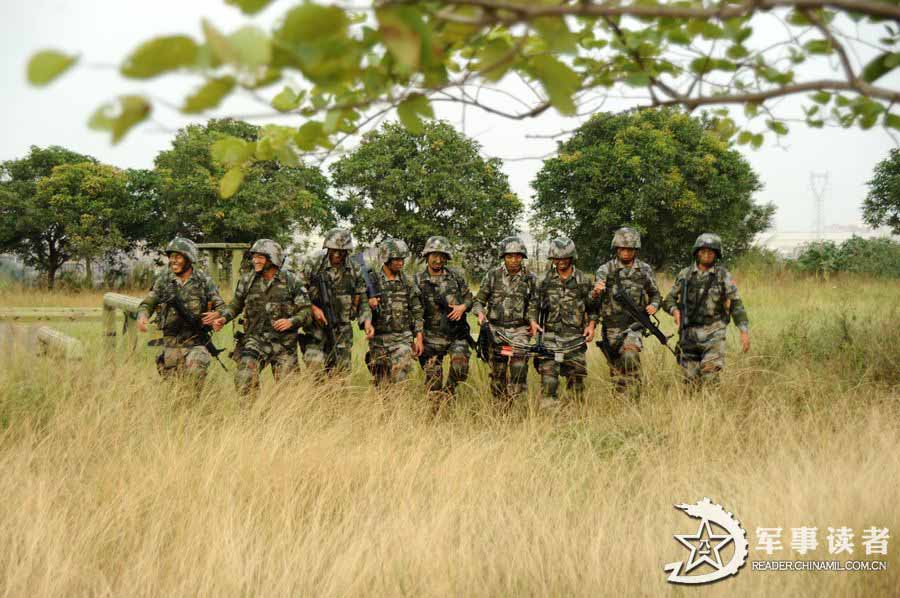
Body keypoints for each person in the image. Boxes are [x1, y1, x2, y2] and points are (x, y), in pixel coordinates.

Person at [203, 239, 313, 395]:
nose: (255, 260)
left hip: (284, 345)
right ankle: (252, 415)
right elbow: (235, 305)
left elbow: (306, 310)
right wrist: (223, 318)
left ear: (272, 258)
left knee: (290, 392)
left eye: (260, 257)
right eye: (254, 256)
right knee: (244, 377)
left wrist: (291, 321)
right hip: (255, 340)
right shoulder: (247, 280)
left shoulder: (292, 281)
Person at [662, 233, 750, 386]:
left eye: (711, 251)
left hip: (714, 332)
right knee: (690, 381)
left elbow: (736, 304)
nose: (707, 254)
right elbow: (668, 299)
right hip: (688, 334)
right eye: (704, 251)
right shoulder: (685, 274)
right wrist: (675, 311)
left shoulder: (723, 276)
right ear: (697, 252)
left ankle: (712, 408)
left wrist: (744, 331)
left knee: (710, 376)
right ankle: (692, 409)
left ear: (716, 255)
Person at [137, 237, 225, 386]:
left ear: (189, 259)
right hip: (171, 343)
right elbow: (148, 303)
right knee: (174, 387)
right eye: (171, 257)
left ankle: (195, 406)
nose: (173, 260)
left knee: (194, 374)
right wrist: (142, 316)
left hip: (196, 341)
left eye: (178, 257)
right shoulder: (164, 279)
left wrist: (217, 315)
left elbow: (221, 306)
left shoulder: (203, 280)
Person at [592, 227, 661, 393]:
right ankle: (623, 402)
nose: (626, 252)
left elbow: (656, 294)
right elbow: (594, 300)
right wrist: (596, 291)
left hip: (634, 325)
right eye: (622, 248)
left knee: (630, 356)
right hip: (611, 327)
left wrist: (654, 305)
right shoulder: (605, 270)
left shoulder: (644, 270)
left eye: (629, 249)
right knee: (617, 371)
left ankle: (634, 395)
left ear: (635, 250)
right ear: (617, 248)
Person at [530, 237, 597, 406]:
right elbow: (534, 304)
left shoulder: (583, 279)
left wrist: (591, 325)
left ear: (571, 257)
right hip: (550, 337)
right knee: (549, 382)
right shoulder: (543, 279)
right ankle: (549, 418)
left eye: (564, 258)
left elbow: (593, 307)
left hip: (575, 338)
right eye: (556, 259)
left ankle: (576, 418)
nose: (560, 262)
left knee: (576, 384)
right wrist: (532, 321)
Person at [472, 236, 538, 406]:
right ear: (503, 257)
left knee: (518, 366)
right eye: (509, 256)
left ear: (522, 257)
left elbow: (535, 303)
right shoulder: (493, 276)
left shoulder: (530, 278)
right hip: (497, 332)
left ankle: (518, 404)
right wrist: (480, 315)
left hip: (520, 331)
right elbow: (479, 301)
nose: (514, 260)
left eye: (517, 256)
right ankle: (501, 408)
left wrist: (533, 321)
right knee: (498, 374)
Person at [298, 228, 370, 376]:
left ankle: (336, 399)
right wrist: (313, 309)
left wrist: (366, 322)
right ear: (327, 248)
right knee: (315, 368)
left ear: (347, 251)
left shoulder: (355, 269)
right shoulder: (314, 263)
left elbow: (362, 300)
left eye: (341, 251)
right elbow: (298, 292)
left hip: (342, 330)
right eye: (333, 250)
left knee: (341, 373)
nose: (337, 254)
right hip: (315, 327)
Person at [415, 236, 474, 403]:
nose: (438, 259)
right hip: (430, 338)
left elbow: (469, 297)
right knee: (433, 384)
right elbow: (415, 311)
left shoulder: (456, 277)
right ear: (427, 256)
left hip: (455, 335)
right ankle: (436, 412)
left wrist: (463, 307)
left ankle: (449, 392)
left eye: (442, 256)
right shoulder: (417, 280)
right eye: (434, 255)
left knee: (460, 367)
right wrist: (418, 336)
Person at [363, 238, 424, 386]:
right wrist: (368, 309)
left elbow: (417, 310)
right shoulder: (372, 281)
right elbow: (360, 307)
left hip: (402, 338)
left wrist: (419, 338)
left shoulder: (408, 281)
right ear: (386, 258)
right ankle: (387, 409)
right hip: (379, 339)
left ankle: (399, 406)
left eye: (402, 259)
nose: (400, 263)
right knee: (382, 383)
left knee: (400, 377)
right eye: (396, 259)